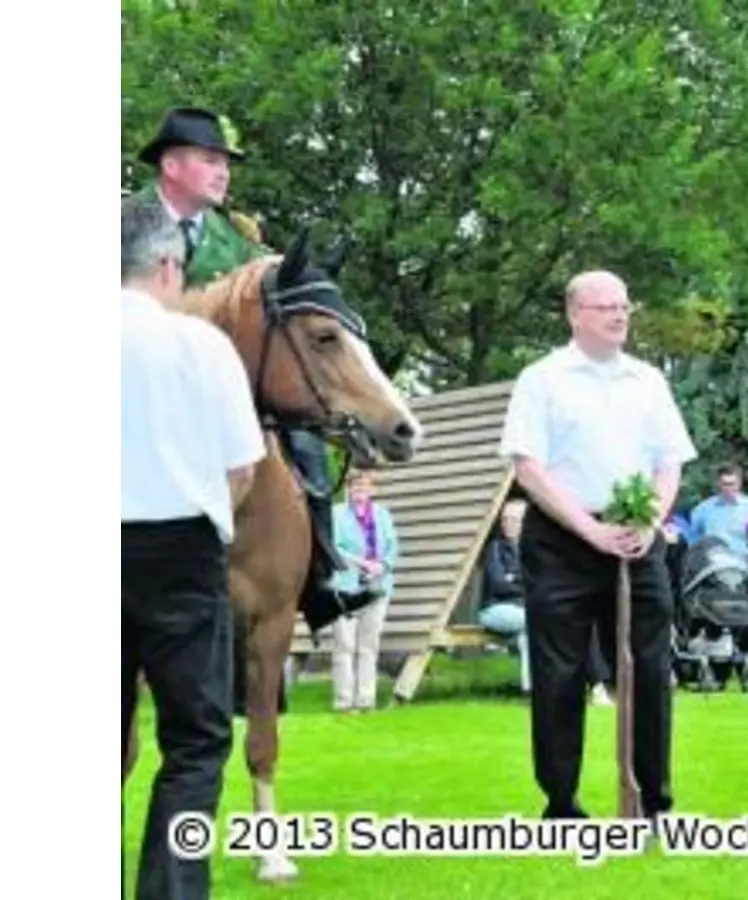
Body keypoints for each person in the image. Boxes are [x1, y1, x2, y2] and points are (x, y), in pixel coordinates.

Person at [131, 106, 360, 695]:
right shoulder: (124, 224)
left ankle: (322, 572)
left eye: (225, 162)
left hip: (226, 388)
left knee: (304, 438)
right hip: (140, 383)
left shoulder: (239, 239)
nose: (223, 172)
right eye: (210, 160)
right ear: (171, 165)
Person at [498, 270, 698, 821]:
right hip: (561, 540)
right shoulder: (542, 379)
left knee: (650, 668)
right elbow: (528, 467)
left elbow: (670, 462)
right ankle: (562, 802)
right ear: (574, 314)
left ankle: (652, 801)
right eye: (606, 306)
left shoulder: (647, 380)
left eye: (625, 305)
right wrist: (589, 531)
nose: (619, 315)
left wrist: (650, 520)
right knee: (560, 672)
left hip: (637, 538)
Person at [121, 194, 266, 899]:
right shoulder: (200, 345)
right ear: (168, 266)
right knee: (195, 742)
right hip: (182, 550)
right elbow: (242, 468)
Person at [329, 466, 400, 712]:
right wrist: (361, 562)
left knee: (369, 646)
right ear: (348, 488)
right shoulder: (336, 514)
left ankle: (366, 700)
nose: (360, 489)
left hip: (376, 586)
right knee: (344, 645)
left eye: (365, 485)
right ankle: (343, 701)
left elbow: (393, 546)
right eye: (355, 484)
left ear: (373, 489)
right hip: (345, 587)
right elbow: (333, 547)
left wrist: (382, 565)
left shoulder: (382, 515)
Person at [481, 499, 533, 693]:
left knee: (528, 637)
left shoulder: (532, 550)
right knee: (536, 621)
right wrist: (522, 583)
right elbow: (498, 585)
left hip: (523, 609)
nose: (508, 524)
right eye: (504, 519)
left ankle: (532, 688)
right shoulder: (494, 548)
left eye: (514, 520)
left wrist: (513, 578)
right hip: (494, 609)